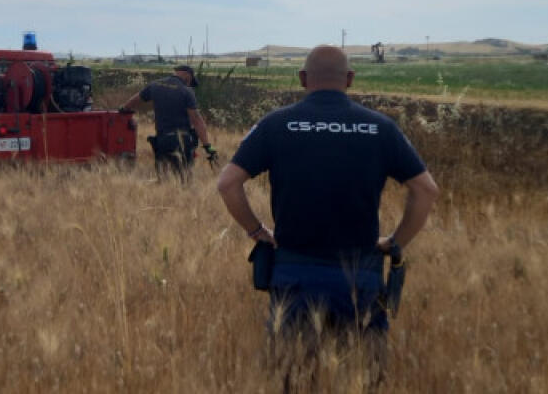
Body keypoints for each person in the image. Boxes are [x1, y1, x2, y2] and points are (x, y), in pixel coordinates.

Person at [216, 45, 439, 349]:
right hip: (361, 272)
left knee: (291, 370)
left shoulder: (276, 124)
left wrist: (258, 232)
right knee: (362, 370)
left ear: (302, 78)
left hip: (294, 269)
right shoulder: (381, 128)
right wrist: (396, 242)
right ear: (349, 78)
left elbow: (228, 183)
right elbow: (426, 190)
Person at [120, 64, 215, 177]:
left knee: (163, 176)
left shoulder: (155, 85)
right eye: (190, 82)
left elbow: (133, 101)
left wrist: (123, 110)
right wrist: (208, 146)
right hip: (181, 141)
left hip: (162, 140)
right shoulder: (186, 91)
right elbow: (196, 120)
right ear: (188, 76)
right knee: (183, 177)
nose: (189, 85)